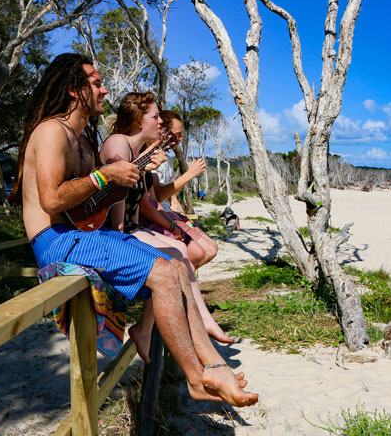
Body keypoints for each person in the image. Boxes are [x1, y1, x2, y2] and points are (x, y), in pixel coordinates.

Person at [13, 53, 257, 407]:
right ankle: (195, 377)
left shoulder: (82, 137)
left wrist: (123, 179)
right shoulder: (52, 131)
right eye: (96, 82)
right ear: (72, 89)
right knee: (161, 272)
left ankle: (213, 364)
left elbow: (88, 204)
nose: (104, 88)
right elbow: (52, 200)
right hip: (55, 240)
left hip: (82, 234)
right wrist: (104, 175)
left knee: (175, 266)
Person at [100, 92, 233, 362]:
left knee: (178, 251)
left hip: (129, 228)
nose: (161, 122)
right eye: (156, 116)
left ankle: (162, 326)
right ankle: (187, 326)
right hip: (115, 232)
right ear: (139, 121)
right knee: (175, 255)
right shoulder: (118, 143)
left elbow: (139, 201)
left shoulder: (138, 152)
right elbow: (116, 187)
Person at [150, 110, 219, 268]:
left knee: (211, 249)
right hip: (159, 215)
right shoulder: (152, 158)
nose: (180, 139)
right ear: (164, 132)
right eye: (178, 134)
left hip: (169, 213)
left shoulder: (167, 158)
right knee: (199, 253)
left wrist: (178, 209)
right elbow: (158, 195)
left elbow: (170, 194)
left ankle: (184, 286)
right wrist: (189, 174)